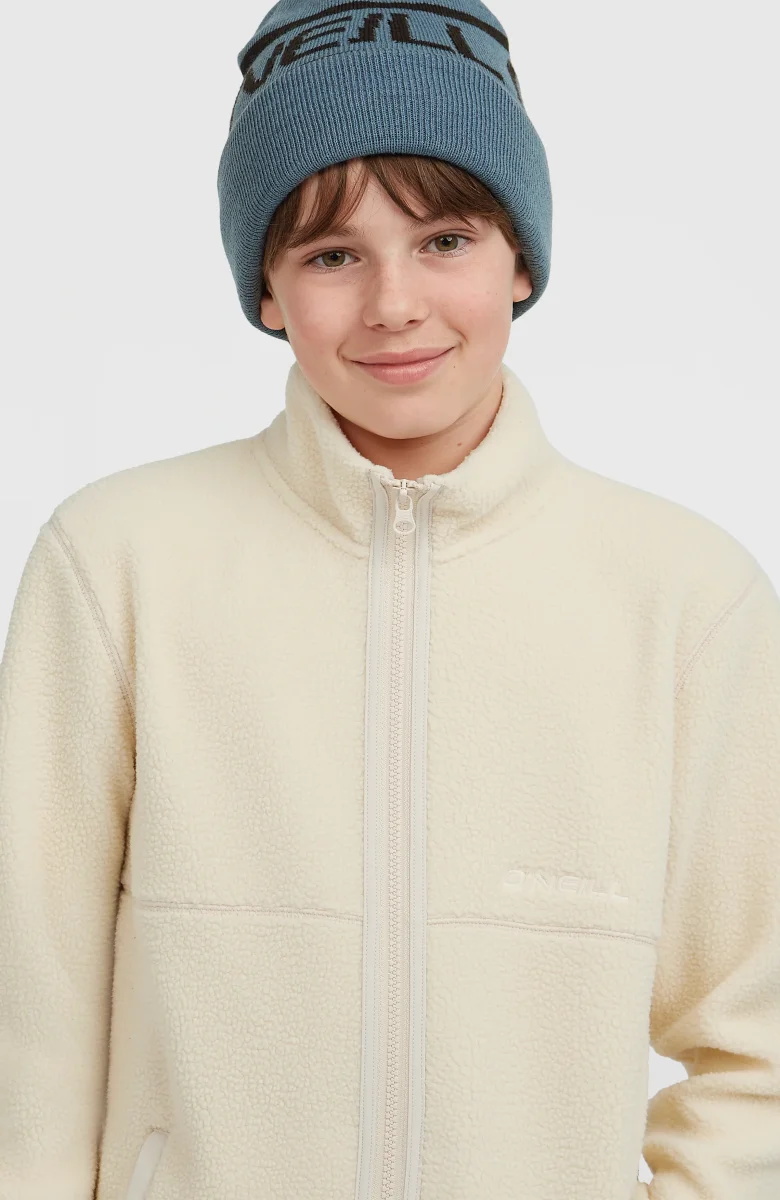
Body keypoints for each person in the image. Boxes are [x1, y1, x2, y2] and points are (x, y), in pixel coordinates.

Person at [1, 2, 779, 1198]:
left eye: (445, 239)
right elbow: (30, 1003)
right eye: (331, 254)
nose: (394, 303)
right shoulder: (117, 562)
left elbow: (757, 1039)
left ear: (522, 260)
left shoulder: (686, 598)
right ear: (267, 287)